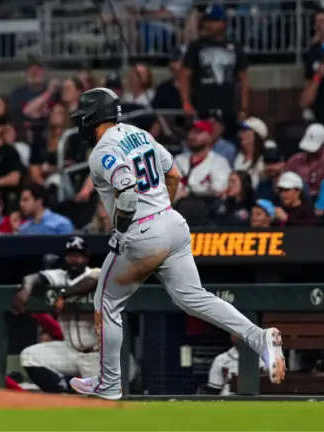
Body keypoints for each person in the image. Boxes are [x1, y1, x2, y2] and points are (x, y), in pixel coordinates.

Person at [68, 88, 284, 400]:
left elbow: (127, 191)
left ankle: (109, 384)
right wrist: (160, 211)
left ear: (91, 117)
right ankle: (258, 337)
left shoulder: (102, 151)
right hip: (173, 223)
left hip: (141, 232)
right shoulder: (140, 134)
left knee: (106, 302)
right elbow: (174, 173)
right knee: (194, 298)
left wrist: (124, 230)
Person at [12, 237, 101, 393]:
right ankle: (60, 393)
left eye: (79, 255)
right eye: (71, 255)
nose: (74, 260)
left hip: (97, 355)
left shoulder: (95, 273)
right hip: (70, 351)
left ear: (86, 258)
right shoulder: (59, 275)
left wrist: (64, 295)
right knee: (30, 356)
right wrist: (26, 290)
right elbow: (33, 278)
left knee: (101, 402)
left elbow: (93, 281)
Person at [180, 4, 248, 139]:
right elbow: (184, 76)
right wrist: (186, 103)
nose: (208, 25)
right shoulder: (196, 46)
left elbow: (243, 78)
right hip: (202, 107)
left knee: (229, 142)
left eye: (213, 21)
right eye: (206, 21)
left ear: (223, 23)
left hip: (228, 107)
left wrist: (244, 107)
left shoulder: (235, 47)